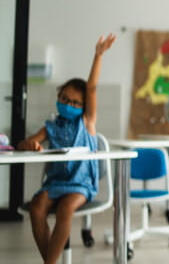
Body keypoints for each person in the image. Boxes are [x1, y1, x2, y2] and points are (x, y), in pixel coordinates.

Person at [18, 34, 116, 264]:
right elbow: (24, 144)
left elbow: (91, 88)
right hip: (54, 183)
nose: (68, 104)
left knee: (65, 209)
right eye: (64, 99)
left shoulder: (87, 122)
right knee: (37, 207)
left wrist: (98, 54)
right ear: (58, 98)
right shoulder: (51, 126)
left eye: (75, 102)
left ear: (84, 107)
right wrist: (30, 145)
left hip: (81, 184)